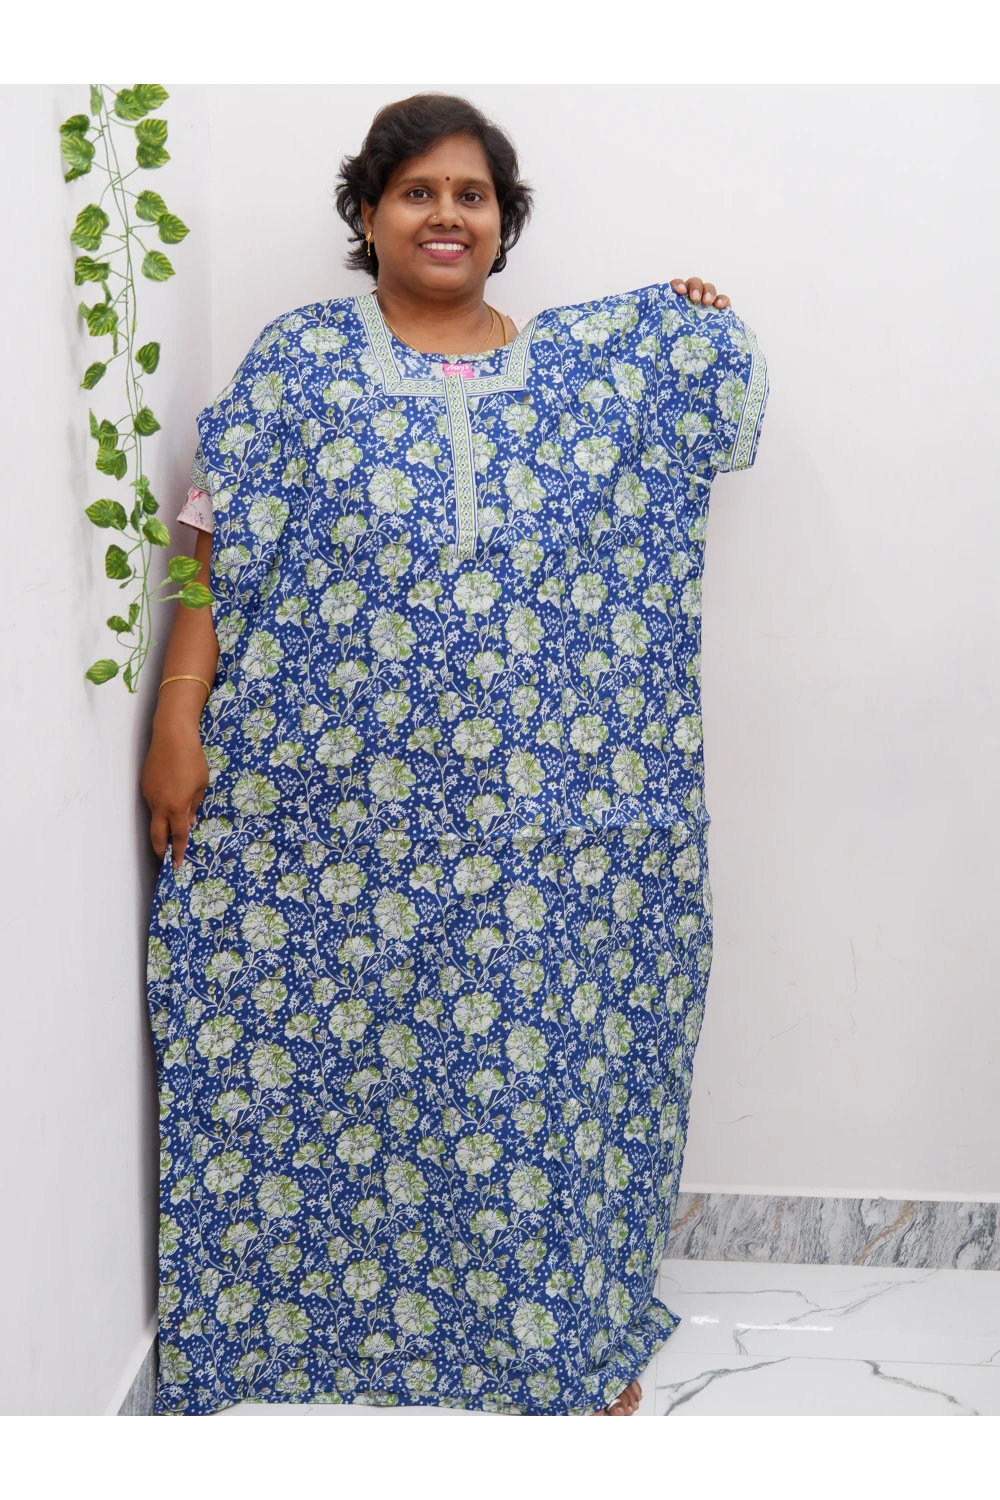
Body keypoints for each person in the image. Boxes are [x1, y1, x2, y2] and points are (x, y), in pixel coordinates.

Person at [142, 92, 767, 1416]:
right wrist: (177, 717)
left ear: (504, 221)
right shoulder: (301, 364)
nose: (446, 215)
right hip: (327, 821)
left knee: (536, 1078)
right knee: (342, 1071)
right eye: (417, 192)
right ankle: (315, 1334)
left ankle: (559, 1339)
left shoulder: (589, 380)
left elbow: (712, 411)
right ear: (368, 215)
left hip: (547, 840)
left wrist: (688, 322)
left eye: (471, 195)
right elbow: (210, 536)